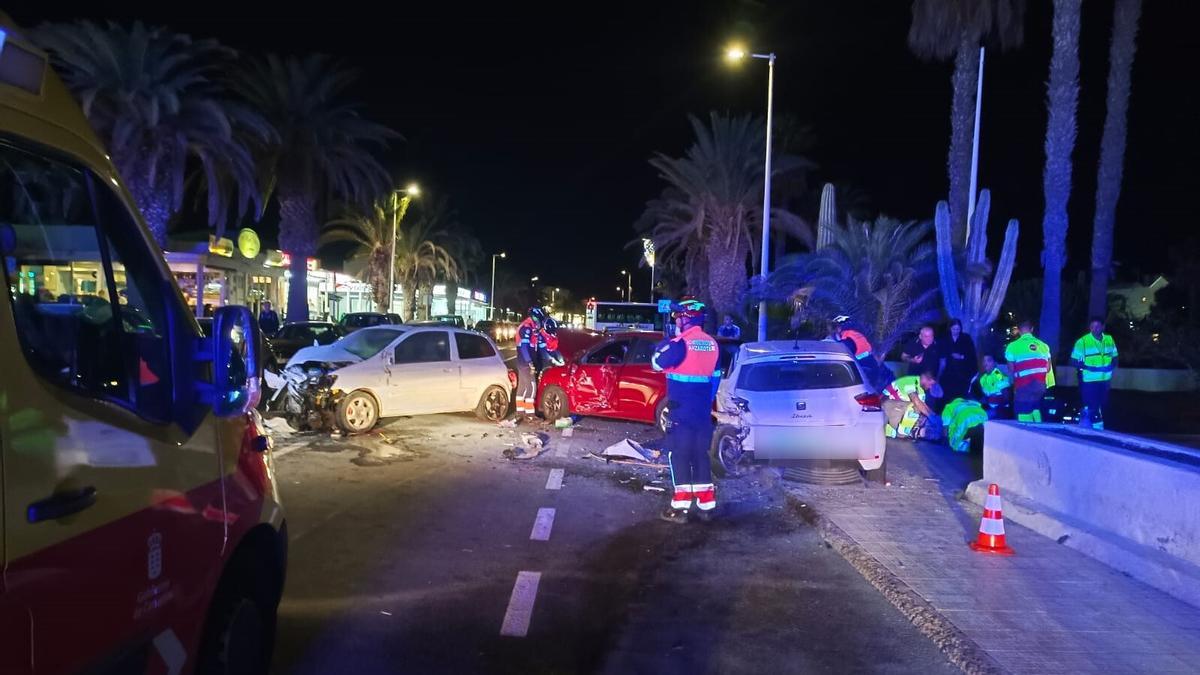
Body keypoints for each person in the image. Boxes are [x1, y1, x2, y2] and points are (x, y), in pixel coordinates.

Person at [651, 296, 720, 524]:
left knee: (678, 455)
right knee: (699, 455)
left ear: (685, 319)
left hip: (680, 413)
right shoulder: (712, 344)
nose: (677, 321)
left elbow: (656, 363)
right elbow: (715, 378)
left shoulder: (680, 344)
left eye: (679, 317)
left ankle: (679, 508)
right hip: (702, 413)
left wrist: (665, 343)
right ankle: (706, 505)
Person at [1071, 316, 1118, 430]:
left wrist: (1112, 366)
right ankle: (1092, 430)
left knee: (1103, 406)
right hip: (1089, 381)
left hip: (1105, 380)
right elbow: (1073, 361)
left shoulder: (1109, 339)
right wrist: (1089, 368)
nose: (1094, 329)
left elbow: (1114, 356)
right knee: (1092, 406)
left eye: (1097, 326)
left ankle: (1096, 428)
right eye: (1092, 327)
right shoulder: (1082, 342)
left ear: (1103, 327)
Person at [1004, 319, 1056, 423]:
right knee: (1035, 406)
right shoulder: (1043, 345)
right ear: (1032, 329)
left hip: (1024, 385)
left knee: (1022, 410)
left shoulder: (1012, 346)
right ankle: (1039, 430)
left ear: (1018, 330)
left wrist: (1012, 385)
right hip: (1040, 385)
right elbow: (1048, 368)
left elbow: (1011, 370)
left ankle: (1026, 433)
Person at [882, 371, 938, 439]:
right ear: (924, 378)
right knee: (915, 407)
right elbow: (916, 401)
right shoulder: (909, 381)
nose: (930, 387)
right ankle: (903, 433)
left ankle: (893, 430)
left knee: (923, 416)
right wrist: (930, 417)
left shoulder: (921, 390)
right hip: (885, 407)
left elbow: (923, 405)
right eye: (930, 384)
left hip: (896, 410)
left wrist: (934, 416)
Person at [514, 306, 546, 419]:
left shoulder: (530, 327)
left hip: (521, 362)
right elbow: (524, 347)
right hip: (526, 363)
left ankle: (520, 412)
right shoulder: (526, 328)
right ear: (534, 318)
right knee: (532, 387)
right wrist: (530, 362)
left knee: (522, 387)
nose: (539, 323)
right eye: (539, 320)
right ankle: (530, 415)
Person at [939, 319, 977, 401]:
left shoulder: (966, 338)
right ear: (950, 328)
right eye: (954, 329)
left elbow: (972, 354)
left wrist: (962, 357)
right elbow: (941, 355)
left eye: (958, 329)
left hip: (963, 373)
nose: (956, 331)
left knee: (961, 396)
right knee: (948, 396)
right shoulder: (944, 339)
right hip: (948, 373)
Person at [969, 354, 1011, 419]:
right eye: (984, 361)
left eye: (989, 361)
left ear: (995, 363)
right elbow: (985, 397)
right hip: (990, 408)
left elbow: (1006, 398)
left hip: (1001, 410)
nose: (986, 363)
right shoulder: (983, 378)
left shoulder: (998, 374)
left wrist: (988, 400)